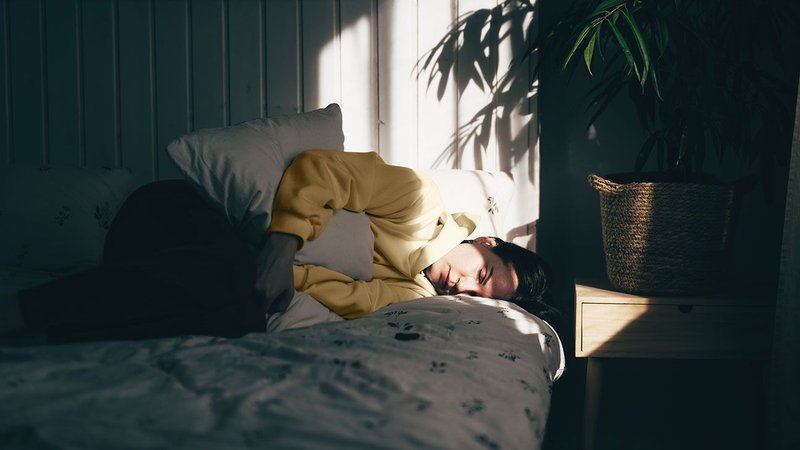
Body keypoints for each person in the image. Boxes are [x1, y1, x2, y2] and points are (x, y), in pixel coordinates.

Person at [0, 150, 556, 343]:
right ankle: (20, 312)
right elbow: (323, 170)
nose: (461, 286)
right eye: (481, 274)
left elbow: (322, 293)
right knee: (231, 275)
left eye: (477, 297)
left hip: (186, 273)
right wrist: (279, 250)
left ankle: (48, 331)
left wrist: (273, 282)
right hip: (170, 215)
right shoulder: (418, 203)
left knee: (242, 312)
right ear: (484, 241)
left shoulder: (406, 297)